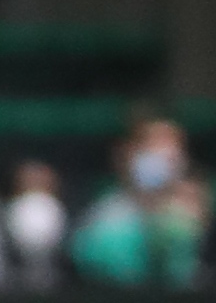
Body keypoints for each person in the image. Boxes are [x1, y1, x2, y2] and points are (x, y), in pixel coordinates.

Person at [74, 112, 208, 286]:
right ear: (126, 153)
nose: (167, 154)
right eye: (153, 143)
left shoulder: (189, 219)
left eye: (174, 145)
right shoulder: (105, 225)